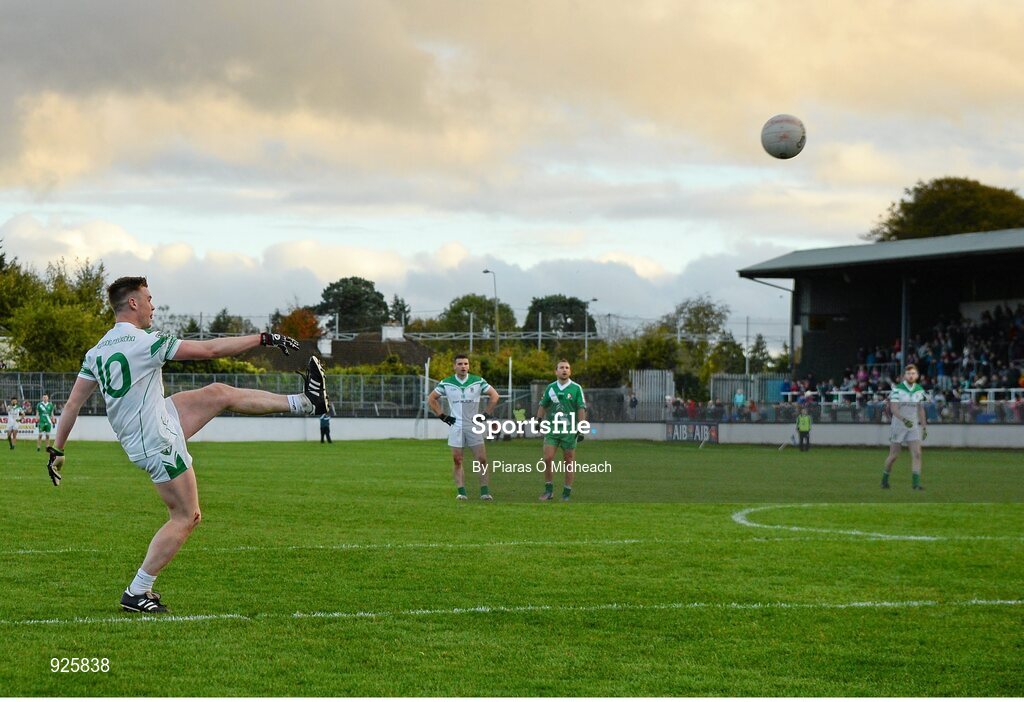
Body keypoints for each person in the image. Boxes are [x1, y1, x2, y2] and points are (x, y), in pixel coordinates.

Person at [46, 276, 330, 614]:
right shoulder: (145, 343)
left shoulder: (98, 351)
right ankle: (138, 591)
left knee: (218, 393)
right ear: (133, 303)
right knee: (186, 516)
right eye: (149, 299)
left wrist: (57, 450)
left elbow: (72, 405)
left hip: (153, 423)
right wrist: (263, 338)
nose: (153, 305)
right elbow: (209, 349)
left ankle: (306, 402)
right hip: (156, 439)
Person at [426, 353, 499, 501]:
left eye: (465, 364)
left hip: (473, 426)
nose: (463, 366)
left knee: (482, 459)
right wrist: (442, 416)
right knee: (457, 460)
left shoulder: (478, 381)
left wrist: (485, 415)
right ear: (454, 366)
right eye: (460, 364)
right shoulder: (446, 383)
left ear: (469, 366)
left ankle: (484, 492)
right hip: (456, 426)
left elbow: (495, 396)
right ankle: (462, 492)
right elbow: (431, 398)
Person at [536, 359, 588, 502]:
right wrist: (538, 420)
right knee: (547, 459)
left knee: (569, 461)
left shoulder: (576, 388)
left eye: (567, 367)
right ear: (556, 371)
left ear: (570, 371)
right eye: (561, 367)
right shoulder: (550, 388)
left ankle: (566, 493)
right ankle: (549, 491)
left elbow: (581, 408)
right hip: (552, 429)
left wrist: (582, 428)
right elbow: (543, 404)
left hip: (569, 431)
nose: (564, 370)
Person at [882, 363, 928, 490]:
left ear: (917, 375)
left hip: (913, 427)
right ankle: (884, 480)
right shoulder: (897, 390)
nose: (911, 376)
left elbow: (920, 409)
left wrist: (924, 426)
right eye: (908, 373)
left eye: (913, 373)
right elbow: (894, 409)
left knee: (917, 454)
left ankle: (916, 484)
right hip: (898, 426)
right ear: (904, 376)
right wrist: (904, 420)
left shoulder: (919, 390)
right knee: (894, 455)